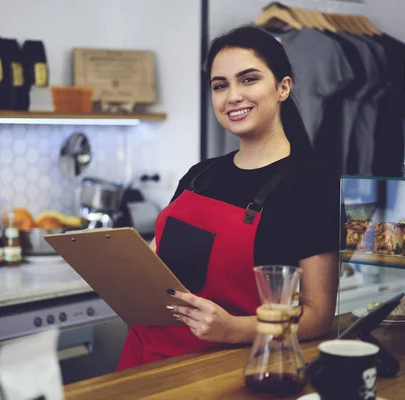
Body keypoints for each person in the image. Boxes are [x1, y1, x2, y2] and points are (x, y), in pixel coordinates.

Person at [117, 25, 339, 371]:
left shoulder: (309, 184)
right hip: (143, 360)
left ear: (283, 88)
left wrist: (233, 328)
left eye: (248, 79)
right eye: (220, 85)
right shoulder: (200, 174)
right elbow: (159, 262)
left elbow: (318, 316)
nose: (232, 96)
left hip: (224, 369)